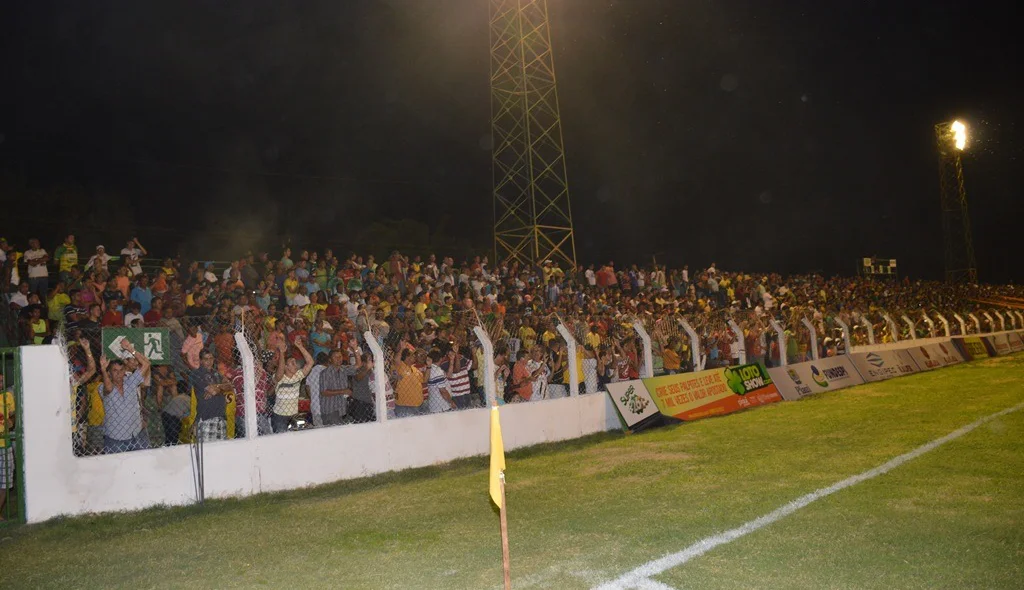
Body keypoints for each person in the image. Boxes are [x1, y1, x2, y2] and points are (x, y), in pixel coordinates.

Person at [99, 339, 151, 454]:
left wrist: (130, 349)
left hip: (136, 433)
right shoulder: (103, 386)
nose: (118, 373)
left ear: (124, 371)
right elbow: (108, 389)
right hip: (115, 437)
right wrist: (103, 370)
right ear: (109, 373)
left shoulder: (130, 381)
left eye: (121, 370)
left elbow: (146, 364)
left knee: (144, 463)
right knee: (116, 469)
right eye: (115, 370)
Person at [190, 350, 233, 443]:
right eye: (206, 359)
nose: (209, 361)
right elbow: (212, 391)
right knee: (207, 452)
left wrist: (217, 387)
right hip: (207, 418)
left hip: (221, 418)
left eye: (211, 358)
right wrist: (220, 388)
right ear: (200, 360)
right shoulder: (197, 373)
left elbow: (230, 386)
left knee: (221, 452)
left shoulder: (216, 373)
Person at [270, 338, 312, 433]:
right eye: (292, 363)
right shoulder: (279, 378)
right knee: (281, 441)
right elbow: (280, 372)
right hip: (279, 416)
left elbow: (310, 362)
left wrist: (300, 347)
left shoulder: (298, 375)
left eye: (295, 362)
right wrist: (282, 353)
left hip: (294, 415)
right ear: (286, 366)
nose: (296, 365)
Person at [318, 349, 354, 426]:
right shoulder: (325, 373)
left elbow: (358, 367)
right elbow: (324, 392)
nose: (338, 359)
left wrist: (355, 349)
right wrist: (343, 391)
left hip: (342, 410)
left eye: (340, 356)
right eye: (335, 357)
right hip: (330, 411)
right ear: (330, 359)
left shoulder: (343, 370)